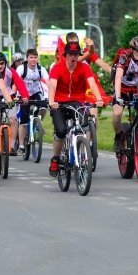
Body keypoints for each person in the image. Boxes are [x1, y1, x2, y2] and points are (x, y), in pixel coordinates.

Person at [46, 41, 104, 177]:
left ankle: (82, 152)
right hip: (59, 103)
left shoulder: (84, 68)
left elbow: (92, 84)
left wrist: (98, 98)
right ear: (65, 55)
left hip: (77, 102)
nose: (73, 57)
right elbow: (52, 86)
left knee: (84, 125)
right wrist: (51, 101)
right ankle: (55, 158)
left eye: (76, 54)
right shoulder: (57, 68)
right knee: (60, 131)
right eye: (70, 54)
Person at [0, 52, 29, 155]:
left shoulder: (10, 71)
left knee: (13, 119)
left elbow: (19, 83)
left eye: (2, 63)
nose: (0, 66)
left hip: (8, 98)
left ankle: (11, 146)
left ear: (5, 63)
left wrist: (25, 97)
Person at [14, 48, 49, 155]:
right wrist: (15, 95)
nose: (33, 60)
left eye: (35, 57)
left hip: (35, 93)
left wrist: (52, 95)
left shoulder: (41, 69)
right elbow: (15, 82)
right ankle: (21, 146)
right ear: (27, 58)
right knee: (23, 121)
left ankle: (38, 123)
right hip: (23, 95)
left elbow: (48, 82)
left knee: (43, 107)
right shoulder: (21, 68)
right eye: (31, 57)